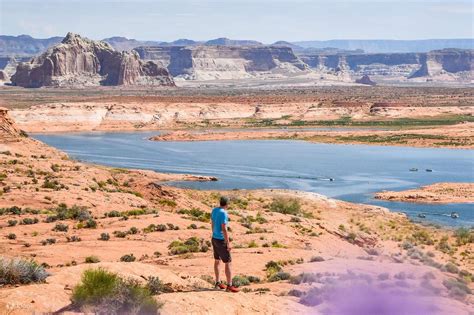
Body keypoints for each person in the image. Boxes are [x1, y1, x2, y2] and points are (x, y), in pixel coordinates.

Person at [211, 196, 239, 293]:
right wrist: (228, 243)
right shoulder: (224, 213)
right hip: (221, 240)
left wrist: (213, 233)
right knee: (228, 262)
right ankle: (229, 285)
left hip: (214, 238)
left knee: (217, 260)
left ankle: (218, 283)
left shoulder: (214, 210)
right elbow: (224, 228)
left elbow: (212, 223)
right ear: (227, 204)